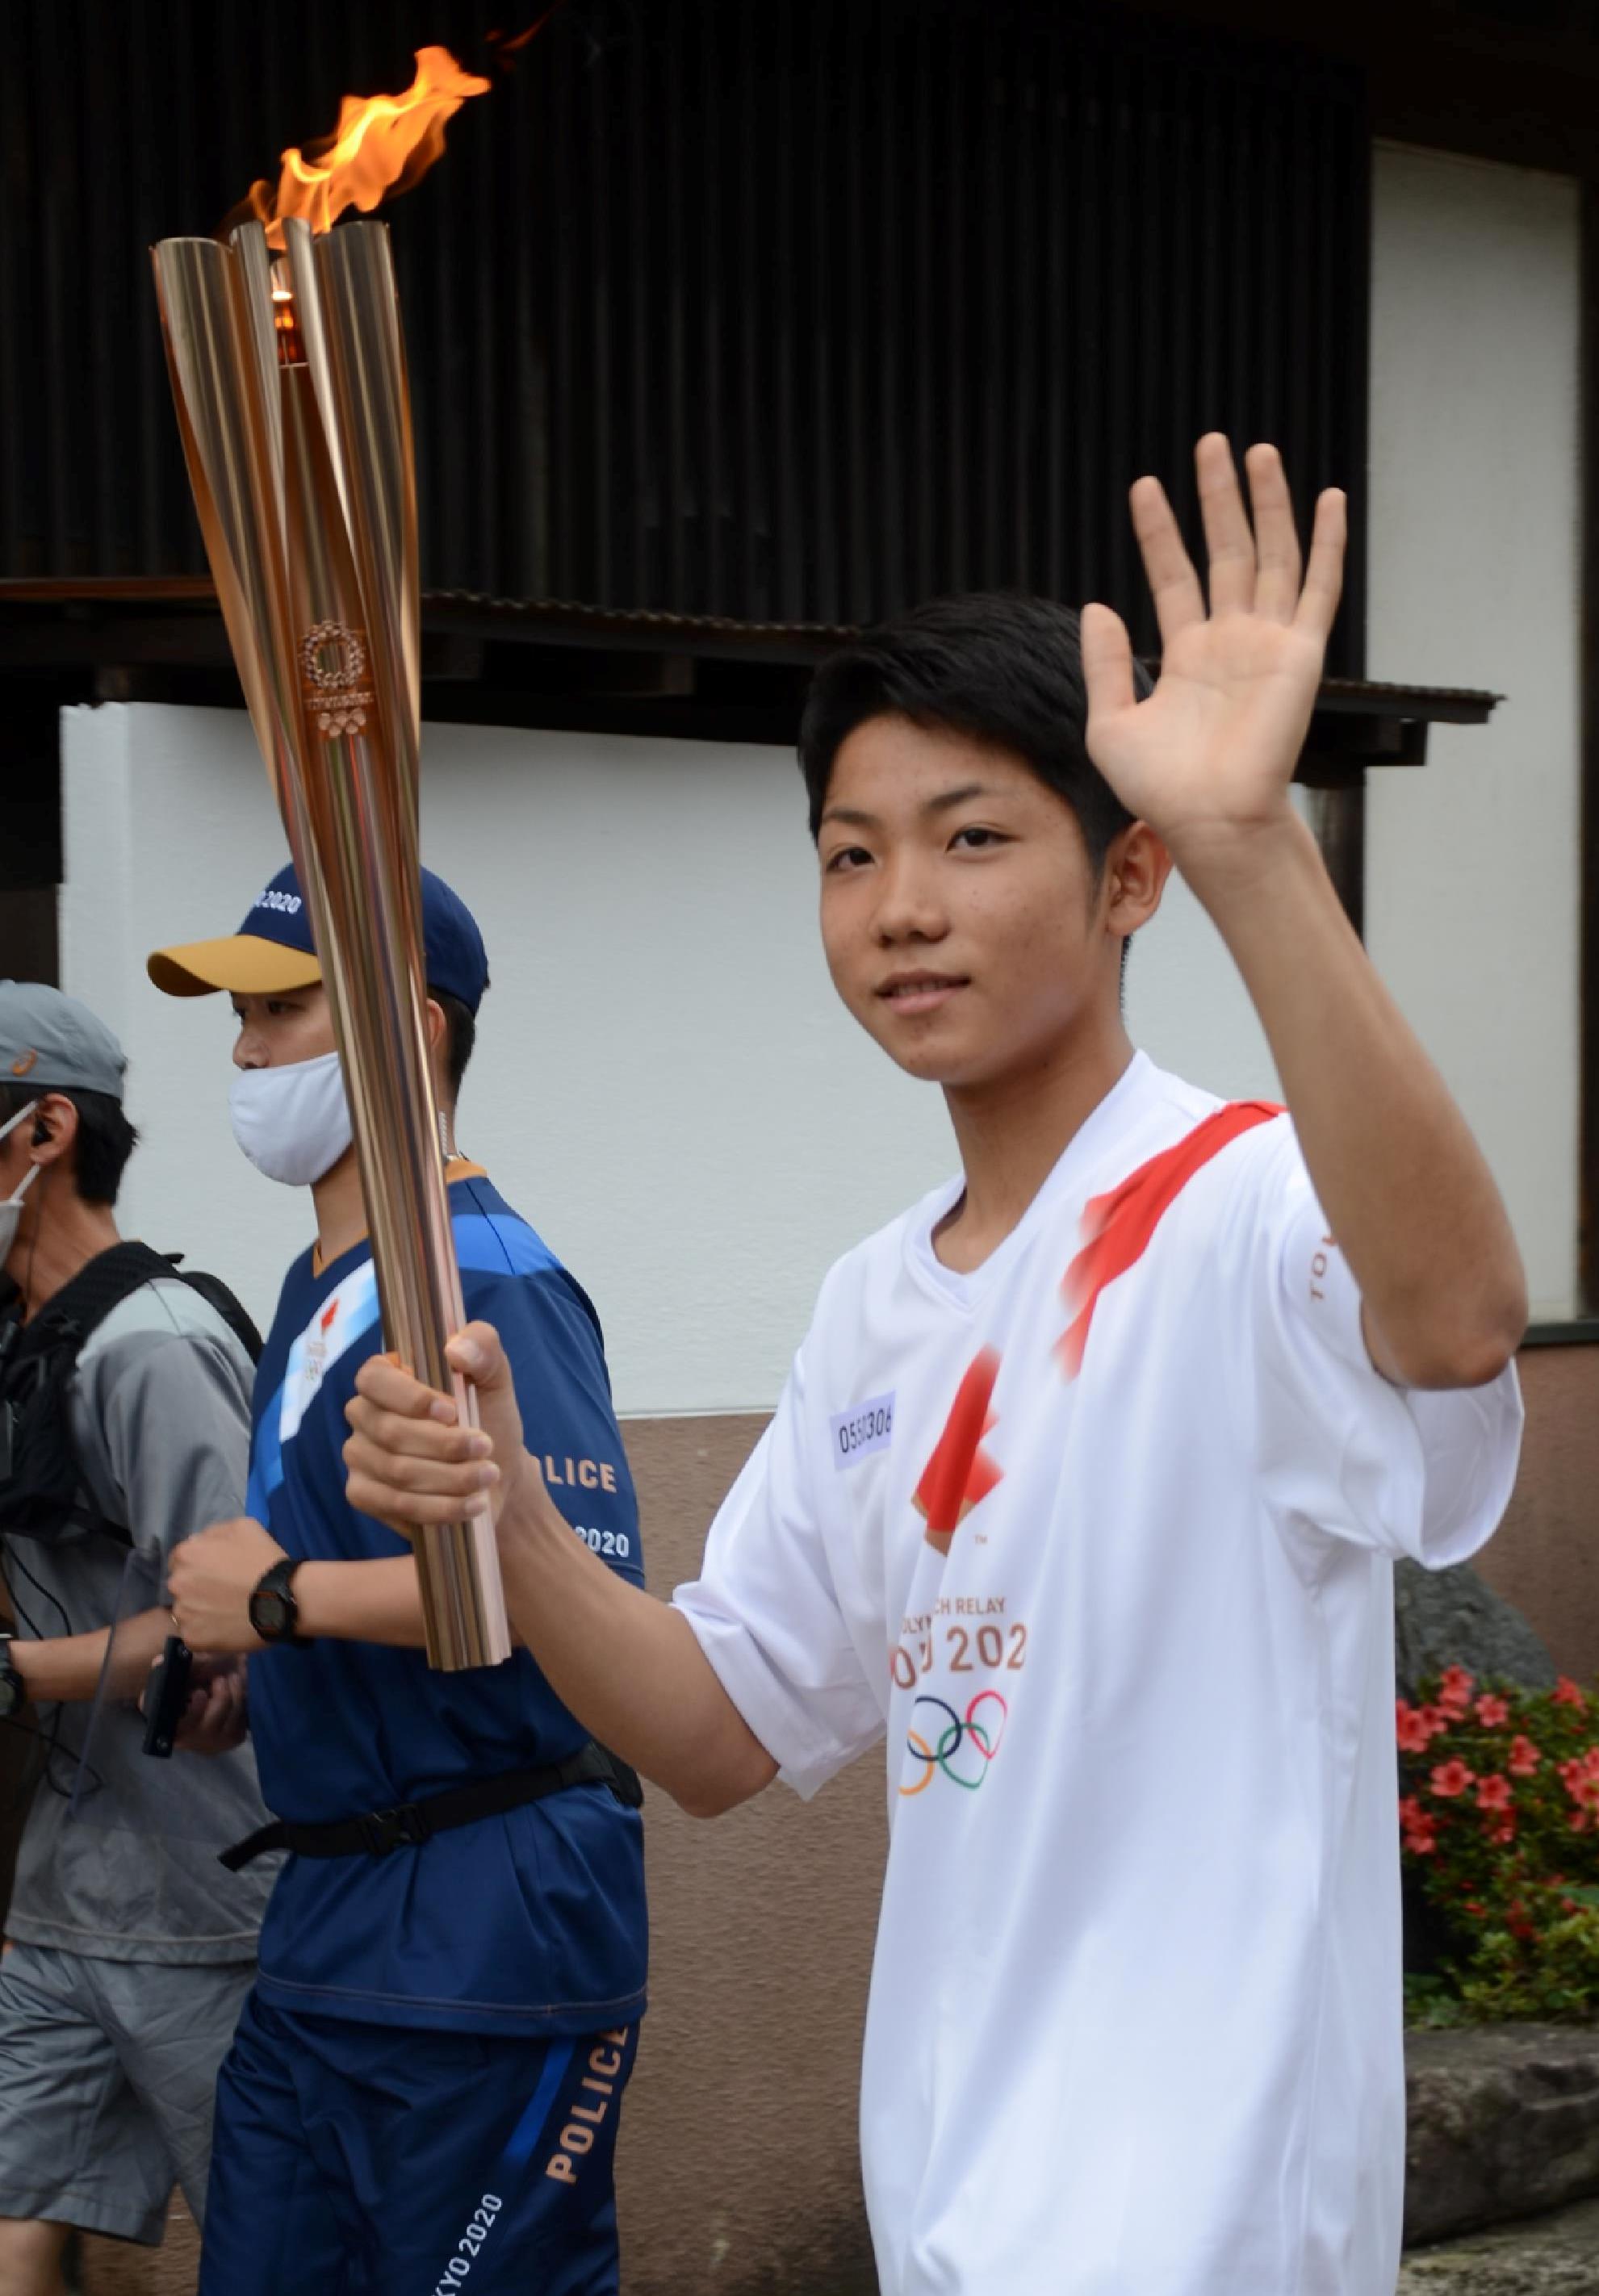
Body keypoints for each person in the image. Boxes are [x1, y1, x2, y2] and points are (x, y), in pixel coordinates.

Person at [344, 440, 1530, 2296]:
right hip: (955, 2208)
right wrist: (511, 1520)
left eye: (973, 838)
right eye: (849, 853)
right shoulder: (870, 1308)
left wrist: (1255, 843)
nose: (900, 903)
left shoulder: (1233, 1208)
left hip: (1206, 2223)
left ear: (1126, 871)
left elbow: (1455, 1318)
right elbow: (718, 1732)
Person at [147, 863, 647, 2296]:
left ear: (410, 1028)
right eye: (238, 1017)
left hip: (489, 1937)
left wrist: (279, 1599)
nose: (246, 1052)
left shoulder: (491, 1281)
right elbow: (339, 1573)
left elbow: (567, 1612)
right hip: (328, 1930)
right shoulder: (319, 1278)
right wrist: (254, 1667)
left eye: (281, 1008)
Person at [0, 981, 271, 2295]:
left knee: (276, 2248)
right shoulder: (22, 1348)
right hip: (65, 1899)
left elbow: (236, 1619)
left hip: (213, 1905)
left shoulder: (153, 1345)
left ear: (44, 1129)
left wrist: (18, 1676)